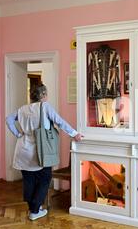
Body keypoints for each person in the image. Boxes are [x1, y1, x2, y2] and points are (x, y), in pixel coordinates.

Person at [6, 84, 83, 221]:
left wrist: (18, 134)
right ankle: (35, 211)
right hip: (40, 150)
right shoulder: (45, 106)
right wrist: (74, 133)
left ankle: (33, 209)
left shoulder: (22, 109)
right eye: (46, 94)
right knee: (45, 178)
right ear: (43, 95)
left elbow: (9, 120)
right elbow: (60, 122)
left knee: (29, 180)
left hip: (22, 149)